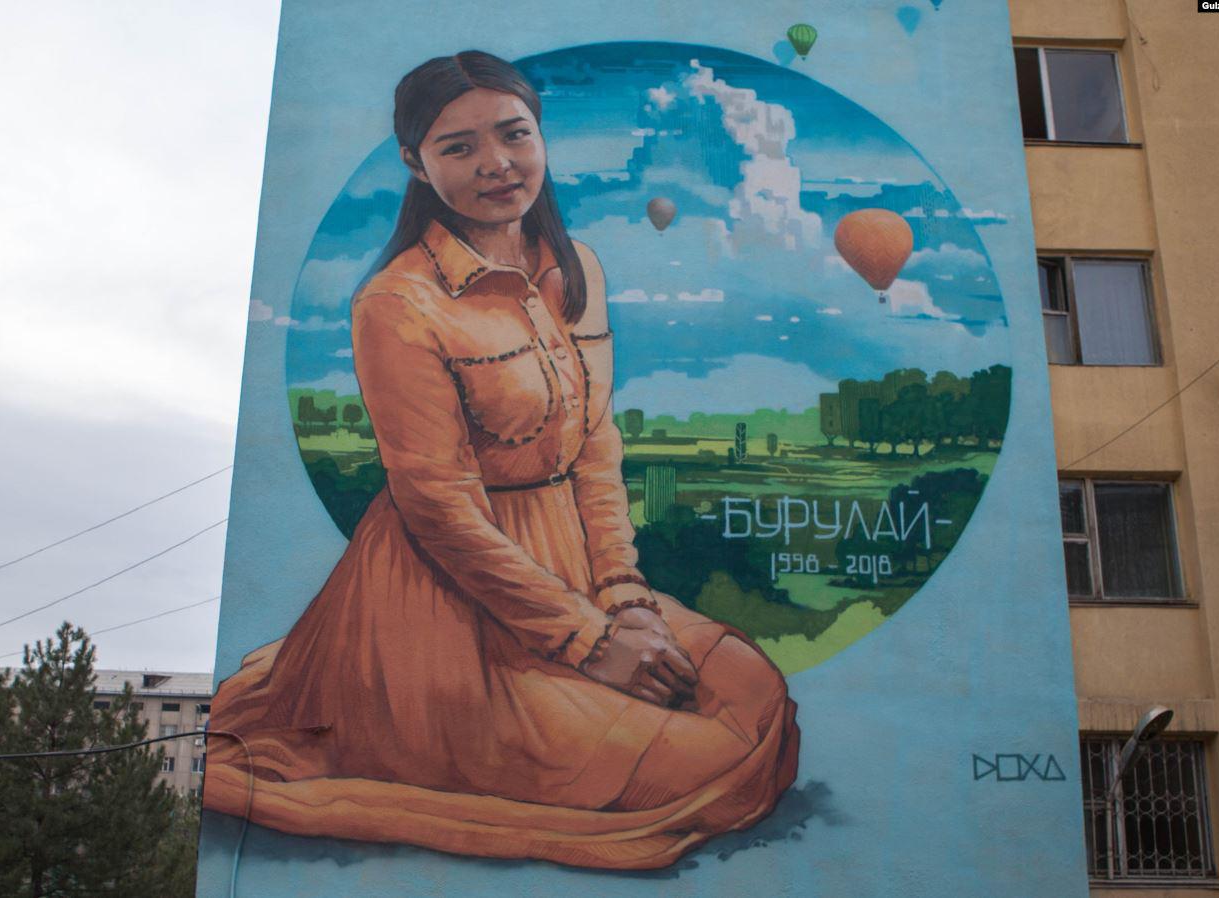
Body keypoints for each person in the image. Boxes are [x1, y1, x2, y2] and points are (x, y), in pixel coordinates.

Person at [205, 50, 799, 870]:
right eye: (457, 148)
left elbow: (594, 446)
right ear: (415, 163)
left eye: (513, 134)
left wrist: (625, 601)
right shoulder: (397, 303)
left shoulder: (576, 268)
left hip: (575, 564)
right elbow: (439, 509)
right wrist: (591, 643)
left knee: (758, 696)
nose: (496, 164)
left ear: (540, 136)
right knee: (694, 763)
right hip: (440, 598)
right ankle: (391, 717)